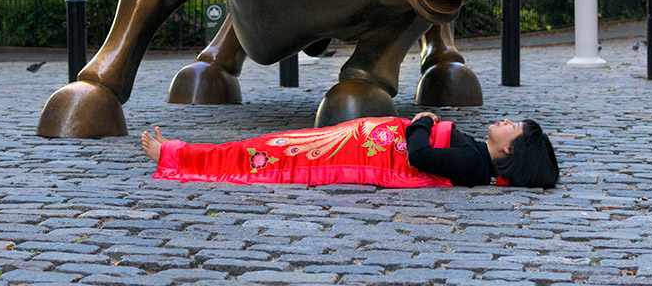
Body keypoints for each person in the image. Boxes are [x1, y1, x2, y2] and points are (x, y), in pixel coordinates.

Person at [140, 111, 558, 189]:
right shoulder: (475, 155)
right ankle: (182, 155)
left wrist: (422, 123)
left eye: (514, 128)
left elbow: (419, 157)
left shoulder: (472, 163)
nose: (507, 122)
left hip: (349, 154)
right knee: (271, 147)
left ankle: (178, 157)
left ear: (510, 152)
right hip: (349, 142)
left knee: (268, 153)